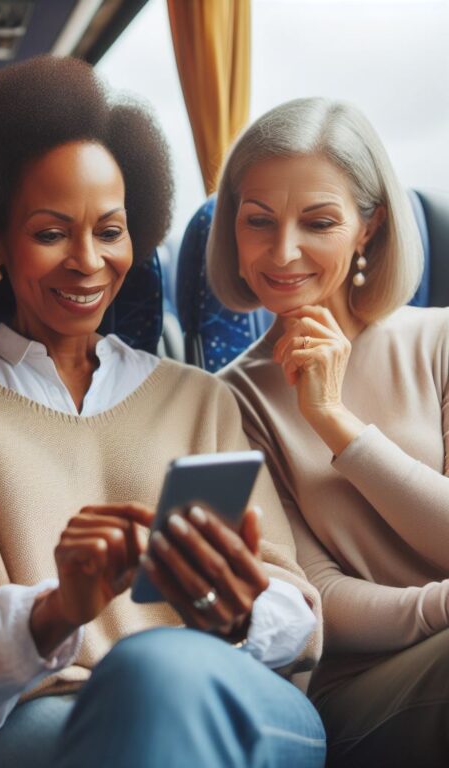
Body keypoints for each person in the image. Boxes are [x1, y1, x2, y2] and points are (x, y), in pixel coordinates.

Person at [0, 56, 325, 768]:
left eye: (110, 232)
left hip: (214, 688)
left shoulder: (201, 398)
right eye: (52, 233)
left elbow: (300, 619)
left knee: (162, 679)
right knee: (143, 683)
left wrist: (241, 611)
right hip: (36, 719)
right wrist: (55, 611)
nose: (88, 262)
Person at [211, 97, 449, 767]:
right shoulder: (225, 400)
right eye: (259, 221)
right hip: (357, 684)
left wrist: (342, 429)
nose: (282, 252)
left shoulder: (441, 342)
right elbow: (318, 596)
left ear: (368, 228)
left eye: (318, 222)